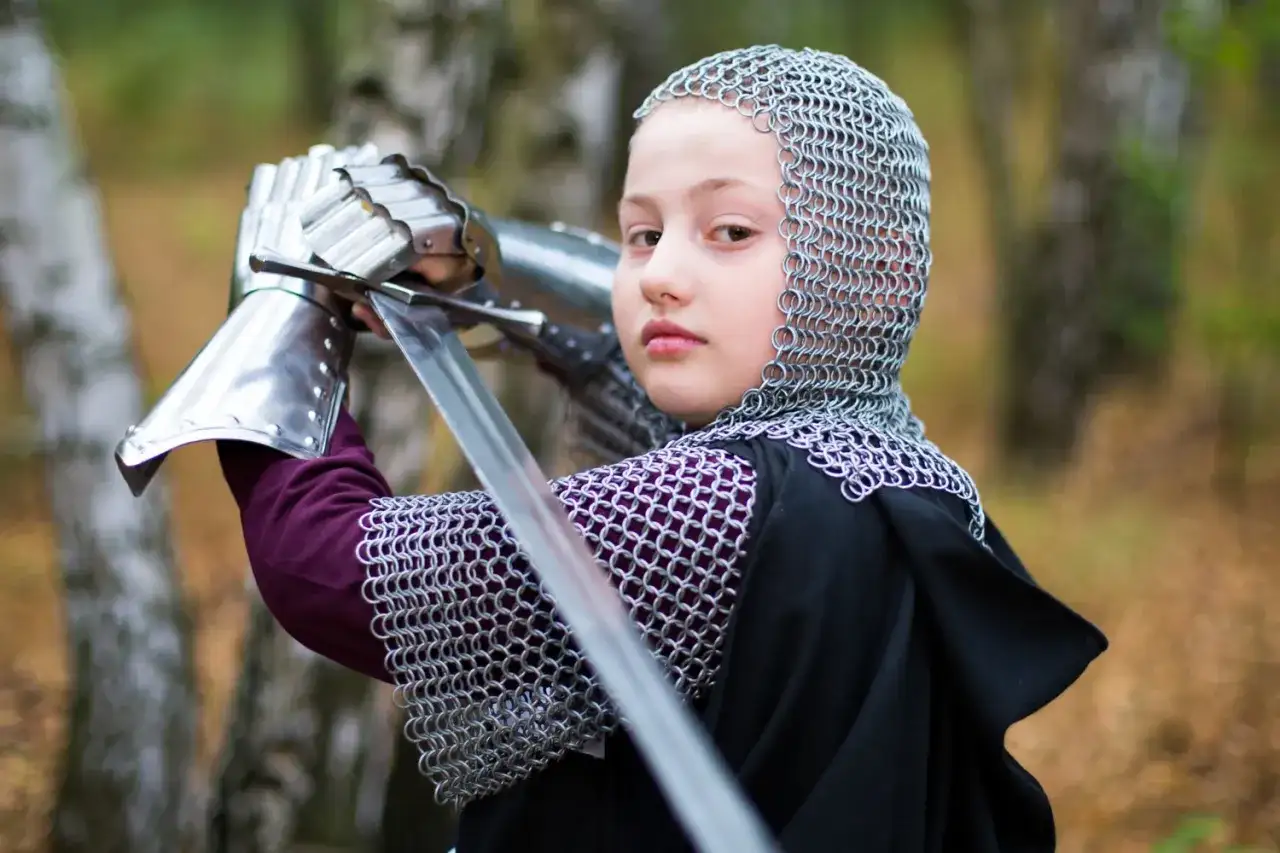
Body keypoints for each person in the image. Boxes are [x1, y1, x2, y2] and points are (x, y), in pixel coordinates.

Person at [217, 45, 1107, 852]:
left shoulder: (713, 506)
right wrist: (475, 254)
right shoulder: (902, 477)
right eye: (643, 233)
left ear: (867, 277)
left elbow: (331, 565)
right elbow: (615, 358)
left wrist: (273, 303)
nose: (659, 275)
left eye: (730, 231)